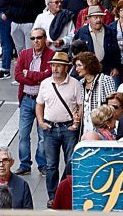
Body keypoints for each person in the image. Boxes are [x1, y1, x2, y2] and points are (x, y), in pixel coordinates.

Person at [36, 52, 82, 200]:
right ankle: (52, 196)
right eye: (53, 65)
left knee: (70, 162)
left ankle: (65, 193)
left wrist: (76, 123)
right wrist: (41, 122)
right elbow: (39, 105)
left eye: (58, 66)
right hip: (50, 128)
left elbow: (81, 106)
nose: (55, 68)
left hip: (68, 128)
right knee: (51, 165)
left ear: (65, 68)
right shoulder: (45, 84)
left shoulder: (75, 84)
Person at [14, 26, 53, 176]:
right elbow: (17, 76)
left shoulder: (51, 55)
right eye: (33, 38)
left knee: (43, 136)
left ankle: (42, 164)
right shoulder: (24, 54)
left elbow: (48, 76)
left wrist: (28, 74)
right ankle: (24, 164)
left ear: (44, 39)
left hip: (42, 102)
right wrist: (37, 77)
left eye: (38, 38)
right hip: (26, 99)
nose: (35, 41)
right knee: (23, 134)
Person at [75, 7, 121, 80]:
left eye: (101, 17)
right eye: (96, 17)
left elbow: (116, 52)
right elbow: (74, 51)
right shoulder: (81, 32)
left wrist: (115, 67)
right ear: (89, 19)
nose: (99, 20)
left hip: (107, 70)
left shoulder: (110, 31)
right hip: (87, 70)